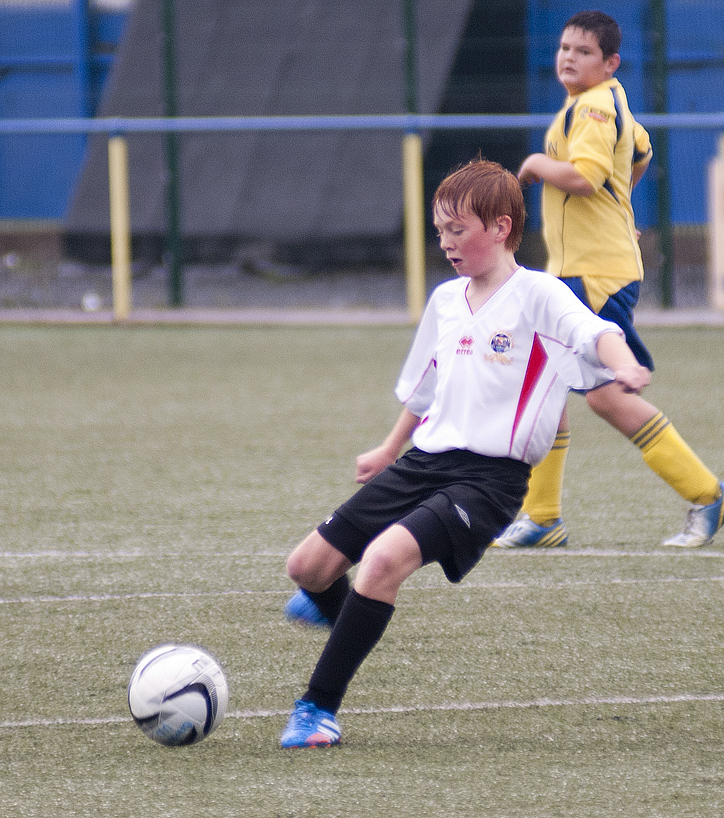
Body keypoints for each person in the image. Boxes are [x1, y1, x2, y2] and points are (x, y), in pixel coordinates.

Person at [278, 158, 651, 748]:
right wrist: (388, 448)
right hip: (424, 462)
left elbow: (592, 334)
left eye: (459, 230)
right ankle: (349, 621)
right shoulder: (446, 301)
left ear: (501, 228)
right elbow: (426, 387)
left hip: (489, 480)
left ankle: (317, 708)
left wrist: (624, 360)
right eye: (440, 231)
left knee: (381, 562)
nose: (447, 243)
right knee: (307, 569)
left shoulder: (538, 295)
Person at [493, 10, 724, 550]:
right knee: (547, 386)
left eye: (582, 51)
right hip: (586, 269)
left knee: (605, 398)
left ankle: (707, 495)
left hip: (595, 273)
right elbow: (643, 150)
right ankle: (542, 518)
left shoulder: (596, 107)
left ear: (610, 63)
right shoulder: (604, 102)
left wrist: (535, 163)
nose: (567, 57)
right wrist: (619, 203)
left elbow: (584, 178)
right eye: (563, 48)